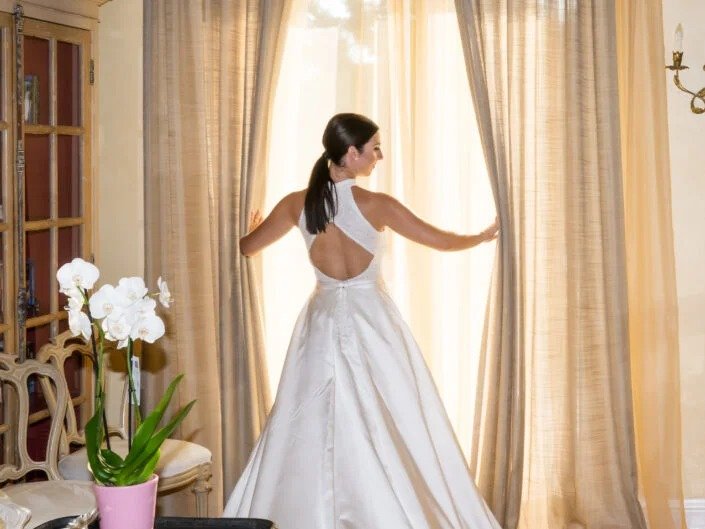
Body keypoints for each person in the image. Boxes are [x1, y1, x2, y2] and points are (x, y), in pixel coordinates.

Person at [224, 113, 501, 529]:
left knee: (308, 418)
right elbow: (441, 241)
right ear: (351, 154)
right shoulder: (376, 205)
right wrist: (481, 236)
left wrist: (254, 228)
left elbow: (247, 247)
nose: (379, 156)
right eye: (375, 149)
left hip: (319, 323)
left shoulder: (297, 204)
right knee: (395, 417)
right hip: (373, 322)